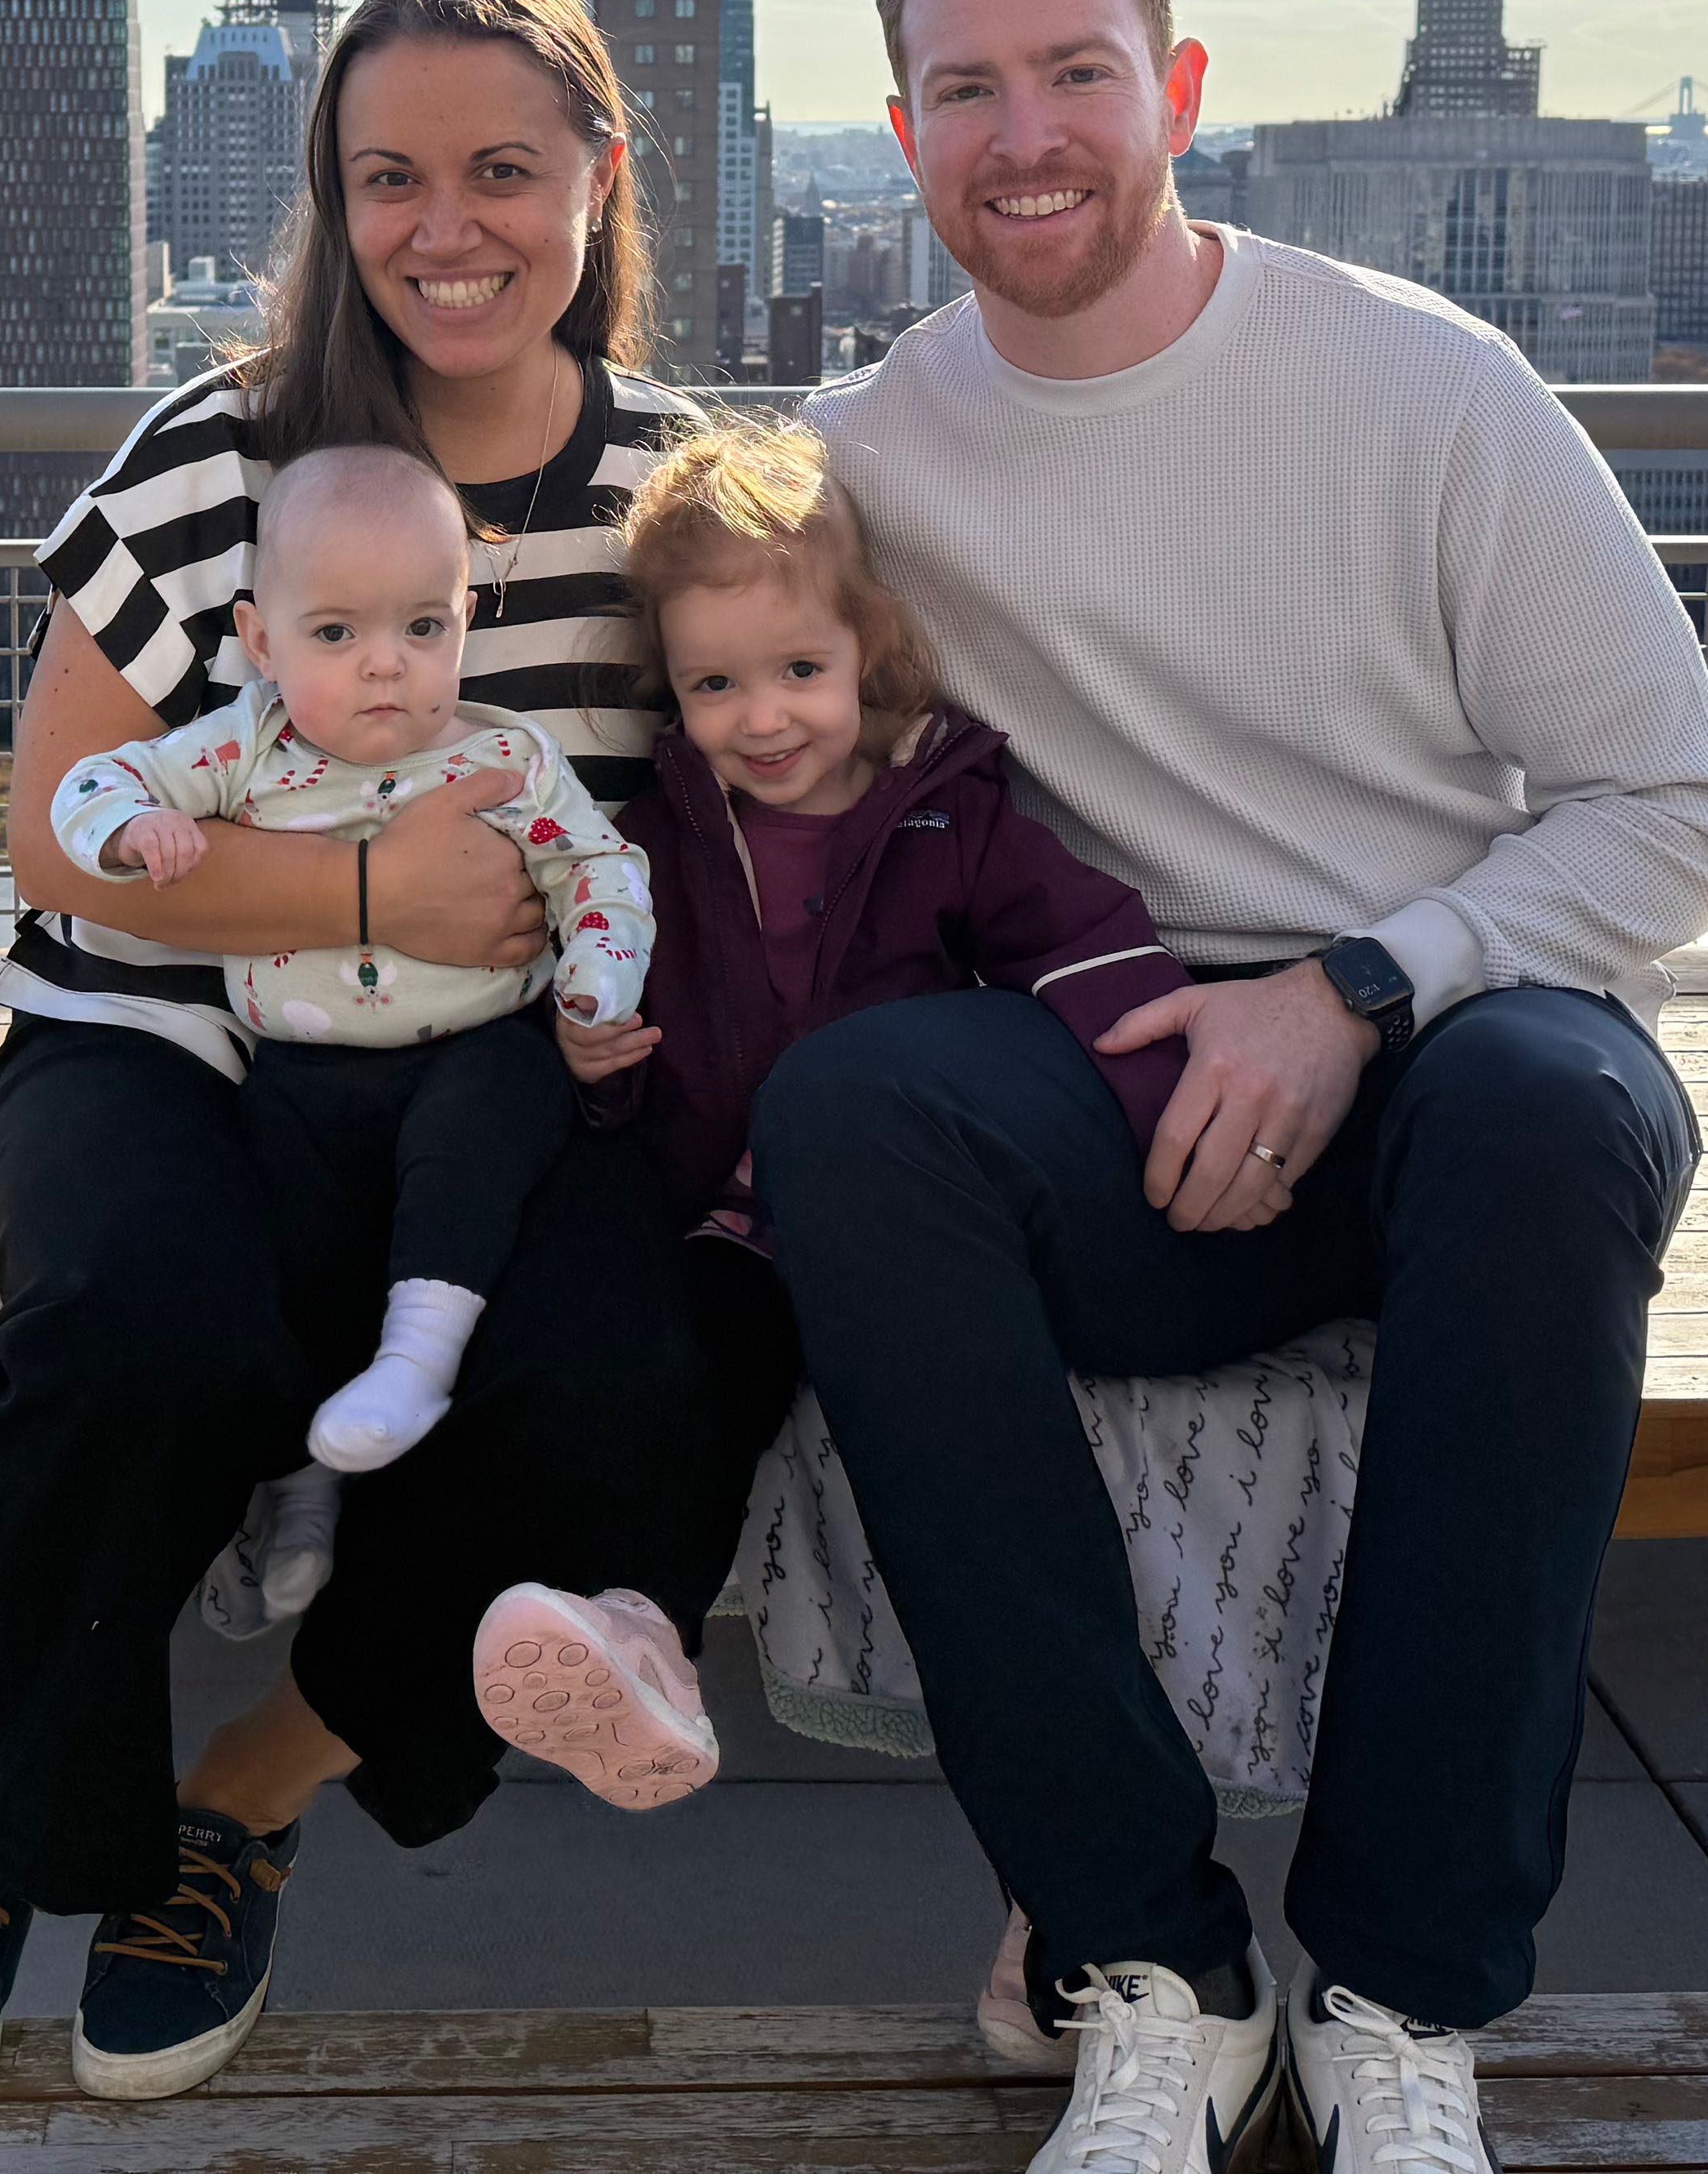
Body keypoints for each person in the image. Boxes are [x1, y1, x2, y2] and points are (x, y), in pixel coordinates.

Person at [758, 0, 1708, 2174]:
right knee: (853, 1118)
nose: (1027, 136)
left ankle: (1402, 1997)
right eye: (967, 89)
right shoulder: (866, 458)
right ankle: (1153, 1969)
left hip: (1442, 1044)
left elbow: (1686, 816)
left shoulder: (1424, 387)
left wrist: (1356, 987)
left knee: (1547, 1115)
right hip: (1120, 1096)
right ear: (900, 132)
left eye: (1077, 73)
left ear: (1177, 90)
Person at [0, 0, 702, 2143]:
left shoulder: (685, 490)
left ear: (604, 173)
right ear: (329, 195)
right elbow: (56, 831)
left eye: (506, 166)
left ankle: (248, 1790)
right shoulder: (222, 454)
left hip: (492, 1077)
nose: (447, 223)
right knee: (136, 1321)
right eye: (389, 173)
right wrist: (356, 895)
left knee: (631, 1366)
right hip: (171, 1036)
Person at [460, 410, 1203, 1819]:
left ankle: (1068, 1792)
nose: (766, 717)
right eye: (718, 684)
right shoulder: (664, 840)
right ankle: (646, 1636)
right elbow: (605, 995)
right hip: (733, 1220)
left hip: (901, 1229)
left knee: (964, 1438)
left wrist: (1165, 1111)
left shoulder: (948, 815)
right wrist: (596, 1067)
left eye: (802, 670)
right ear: (672, 693)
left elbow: (1088, 949)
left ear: (873, 652)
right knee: (690, 1375)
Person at [50, 439, 651, 1499]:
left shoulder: (504, 757)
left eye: (422, 627)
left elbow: (595, 865)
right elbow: (89, 780)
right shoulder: (242, 749)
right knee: (292, 1246)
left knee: (495, 1119)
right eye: (336, 632)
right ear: (260, 642)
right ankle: (308, 1487)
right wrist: (133, 828)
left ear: (465, 622)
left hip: (474, 1049)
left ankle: (420, 1356)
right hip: (296, 1075)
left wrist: (598, 971)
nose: (386, 662)